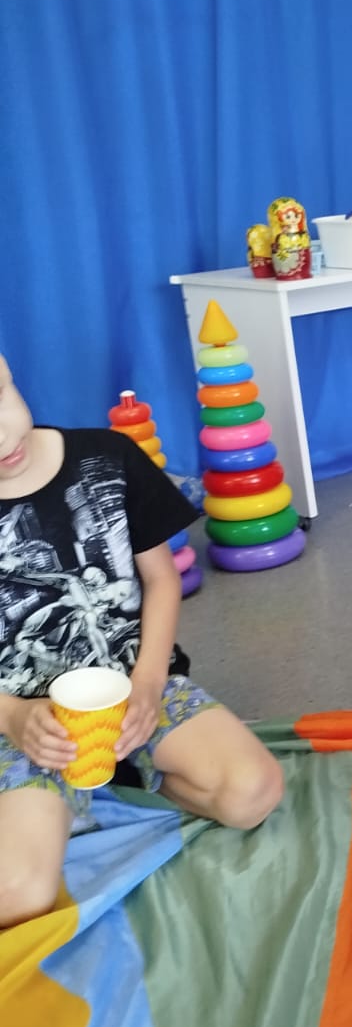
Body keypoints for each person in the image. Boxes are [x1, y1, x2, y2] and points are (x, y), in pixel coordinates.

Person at [0, 353, 284, 927]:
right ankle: (60, 804)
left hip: (136, 685)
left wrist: (150, 682)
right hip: (21, 721)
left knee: (253, 793)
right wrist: (12, 717)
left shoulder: (108, 456)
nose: (3, 435)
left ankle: (127, 779)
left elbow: (160, 579)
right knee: (18, 894)